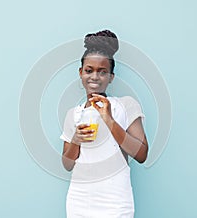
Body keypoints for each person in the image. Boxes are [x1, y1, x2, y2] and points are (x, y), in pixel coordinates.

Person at [60, 29, 149, 218]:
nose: (95, 77)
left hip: (115, 200)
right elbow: (67, 164)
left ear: (111, 77)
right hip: (79, 200)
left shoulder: (126, 105)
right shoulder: (73, 114)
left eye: (102, 72)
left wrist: (109, 120)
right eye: (89, 70)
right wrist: (75, 139)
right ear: (81, 73)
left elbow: (141, 154)